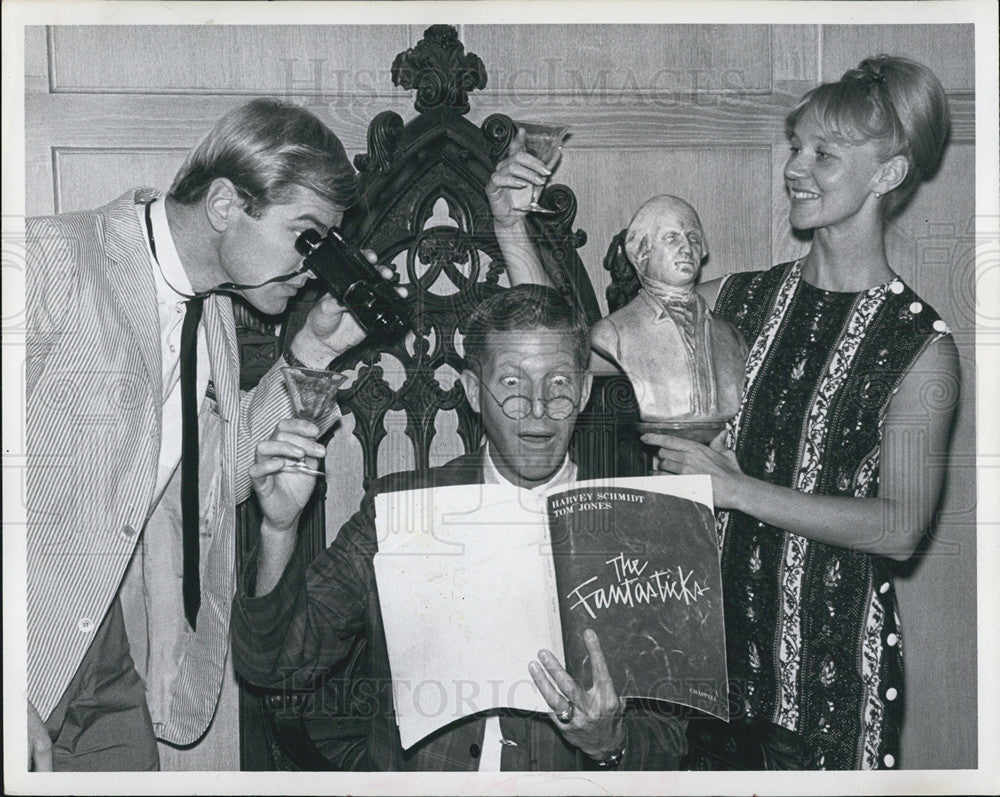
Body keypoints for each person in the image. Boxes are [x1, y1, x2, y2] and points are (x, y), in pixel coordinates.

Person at [488, 55, 959, 770]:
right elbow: (571, 356)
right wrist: (512, 230)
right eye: (796, 146)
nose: (795, 167)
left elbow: (899, 527)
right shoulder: (736, 300)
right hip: (698, 679)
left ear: (888, 174)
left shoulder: (920, 346)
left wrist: (736, 489)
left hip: (827, 691)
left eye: (823, 154)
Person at [25, 98, 398, 770]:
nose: (315, 265)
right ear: (227, 205)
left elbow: (213, 485)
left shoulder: (213, 312)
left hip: (107, 655)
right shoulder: (46, 262)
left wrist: (313, 351)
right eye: (305, 235)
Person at [231, 285, 688, 771]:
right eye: (511, 384)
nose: (536, 409)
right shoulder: (402, 510)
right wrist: (279, 529)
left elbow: (670, 740)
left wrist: (607, 740)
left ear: (585, 390)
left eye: (558, 383)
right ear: (473, 391)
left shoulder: (637, 524)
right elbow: (276, 666)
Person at [589, 195, 746, 429]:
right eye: (671, 238)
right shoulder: (612, 334)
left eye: (693, 237)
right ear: (642, 252)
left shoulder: (732, 336)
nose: (686, 248)